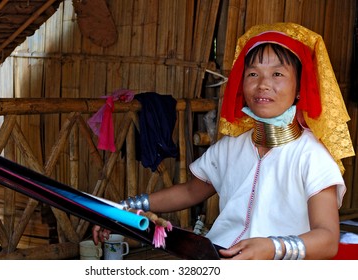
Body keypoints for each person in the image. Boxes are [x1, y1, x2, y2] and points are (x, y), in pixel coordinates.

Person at [93, 22, 355, 260]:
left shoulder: (312, 156)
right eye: (253, 74)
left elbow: (328, 238)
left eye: (278, 74)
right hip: (219, 260)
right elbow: (189, 191)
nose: (263, 84)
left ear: (300, 88)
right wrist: (124, 208)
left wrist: (273, 247)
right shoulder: (232, 147)